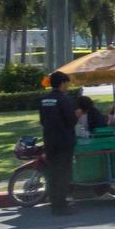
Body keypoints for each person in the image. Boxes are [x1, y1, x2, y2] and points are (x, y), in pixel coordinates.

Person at [39, 70, 78, 214]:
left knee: (53, 173)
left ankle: (54, 202)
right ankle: (61, 205)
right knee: (63, 173)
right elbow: (71, 120)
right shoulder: (64, 99)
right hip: (64, 141)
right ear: (62, 83)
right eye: (67, 83)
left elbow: (43, 120)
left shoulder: (44, 99)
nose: (67, 86)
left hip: (50, 140)